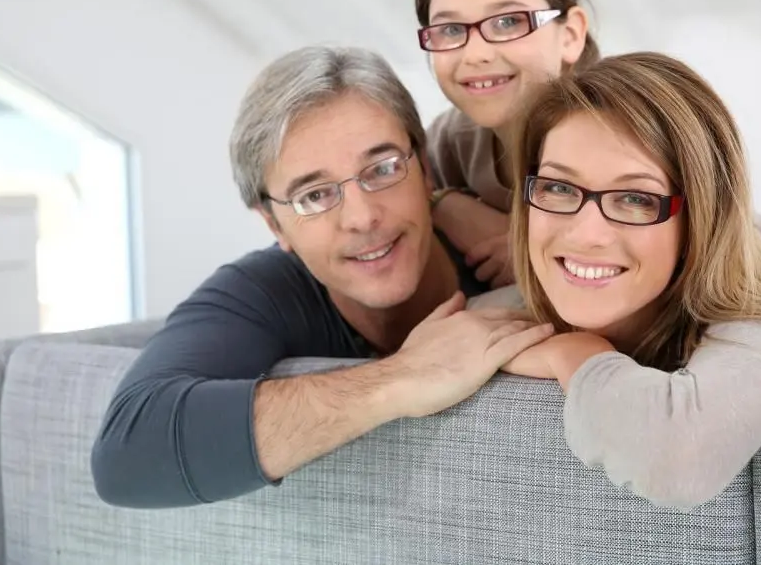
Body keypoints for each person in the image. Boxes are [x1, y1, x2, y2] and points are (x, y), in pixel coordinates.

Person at [90, 46, 553, 509]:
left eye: (384, 169)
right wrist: (401, 377)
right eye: (313, 196)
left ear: (425, 170)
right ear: (274, 226)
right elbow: (127, 454)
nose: (362, 216)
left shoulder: (507, 238)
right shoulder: (263, 289)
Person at [499, 52, 761, 510]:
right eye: (558, 187)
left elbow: (677, 459)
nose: (585, 234)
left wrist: (580, 354)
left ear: (698, 219)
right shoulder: (497, 309)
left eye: (636, 197)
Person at [414, 0, 761, 288]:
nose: (476, 52)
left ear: (570, 35)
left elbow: (744, 245)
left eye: (507, 22)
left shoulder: (627, 119)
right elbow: (397, 191)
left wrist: (537, 246)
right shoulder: (455, 138)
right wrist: (446, 204)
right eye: (449, 30)